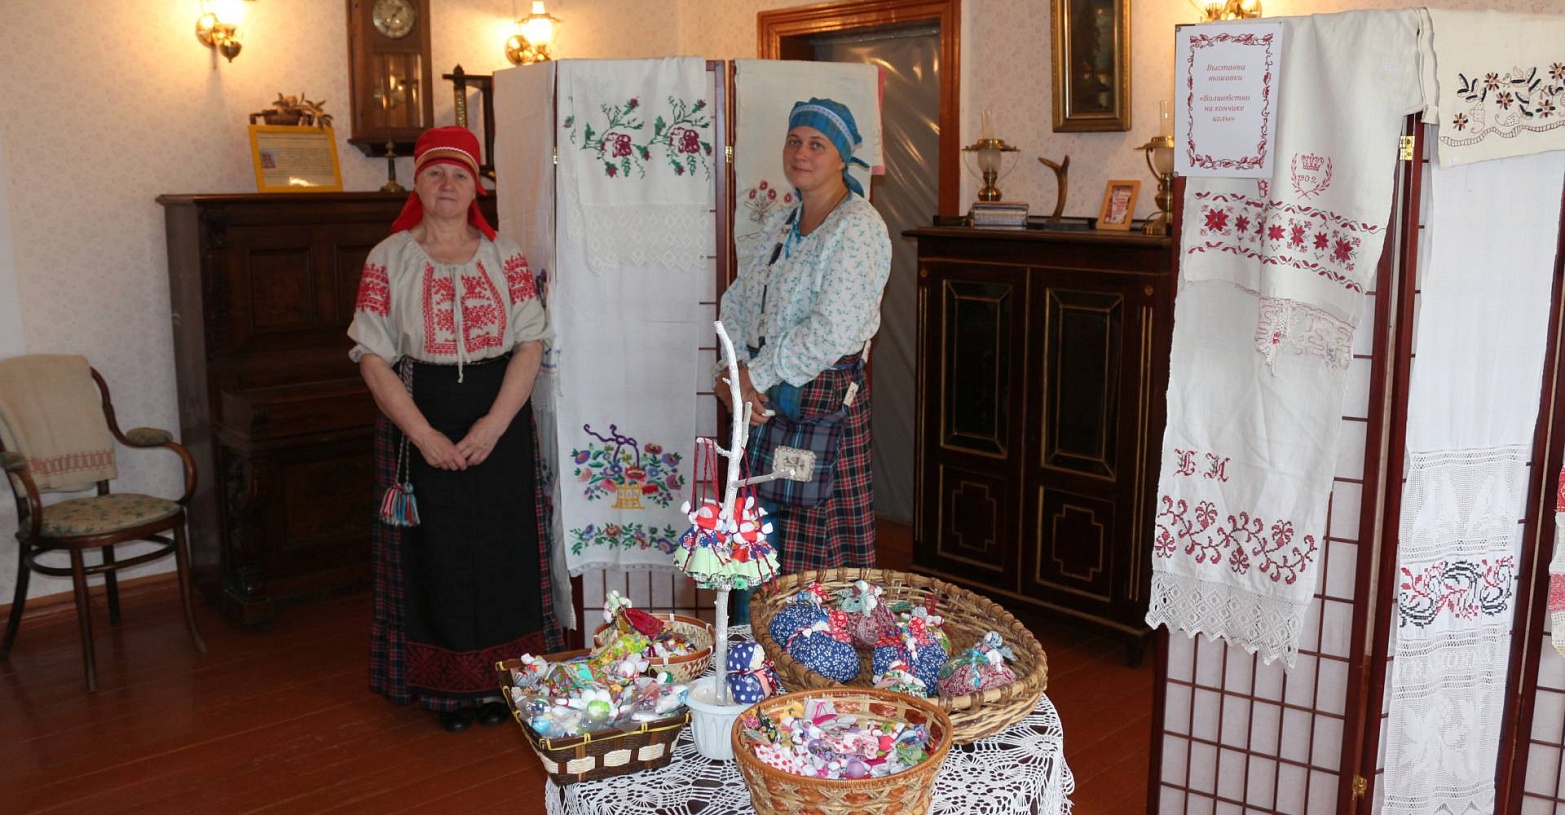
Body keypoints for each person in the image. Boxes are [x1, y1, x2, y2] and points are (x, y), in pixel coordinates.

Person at [349, 126, 563, 733]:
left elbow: (530, 342)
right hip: (420, 419)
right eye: (435, 173)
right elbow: (372, 357)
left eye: (460, 174)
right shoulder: (387, 258)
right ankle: (444, 692)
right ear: (417, 183)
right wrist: (423, 435)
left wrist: (495, 425)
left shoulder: (505, 255)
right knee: (435, 554)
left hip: (501, 423)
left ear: (476, 188)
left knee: (503, 549)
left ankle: (506, 683)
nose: (447, 185)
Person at [717, 97, 893, 577]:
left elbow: (829, 330)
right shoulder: (782, 223)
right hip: (763, 404)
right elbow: (739, 301)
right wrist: (731, 373)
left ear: (842, 158)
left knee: (811, 571)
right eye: (794, 141)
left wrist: (754, 376)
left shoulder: (858, 228)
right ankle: (752, 630)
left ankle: (802, 632)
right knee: (755, 554)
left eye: (817, 145)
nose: (801, 153)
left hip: (819, 407)